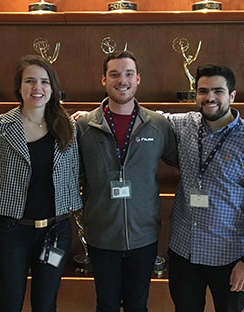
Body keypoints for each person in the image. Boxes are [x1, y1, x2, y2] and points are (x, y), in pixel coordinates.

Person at [163, 64, 244, 312]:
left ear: (232, 96)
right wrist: (94, 114)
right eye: (203, 91)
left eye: (218, 91)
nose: (209, 97)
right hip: (184, 253)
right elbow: (143, 116)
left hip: (230, 258)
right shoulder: (183, 124)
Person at [75, 50, 178, 312]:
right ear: (103, 80)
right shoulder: (84, 126)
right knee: (106, 305)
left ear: (138, 79)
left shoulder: (157, 124)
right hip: (101, 236)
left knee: (137, 305)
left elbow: (182, 160)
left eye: (129, 74)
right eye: (115, 74)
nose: (123, 80)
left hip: (144, 235)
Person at [0, 55, 82, 312]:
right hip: (11, 231)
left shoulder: (68, 127)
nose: (37, 88)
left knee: (46, 304)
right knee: (9, 303)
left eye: (44, 82)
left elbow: (77, 172)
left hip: (55, 231)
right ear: (19, 87)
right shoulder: (0, 127)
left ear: (53, 88)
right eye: (30, 81)